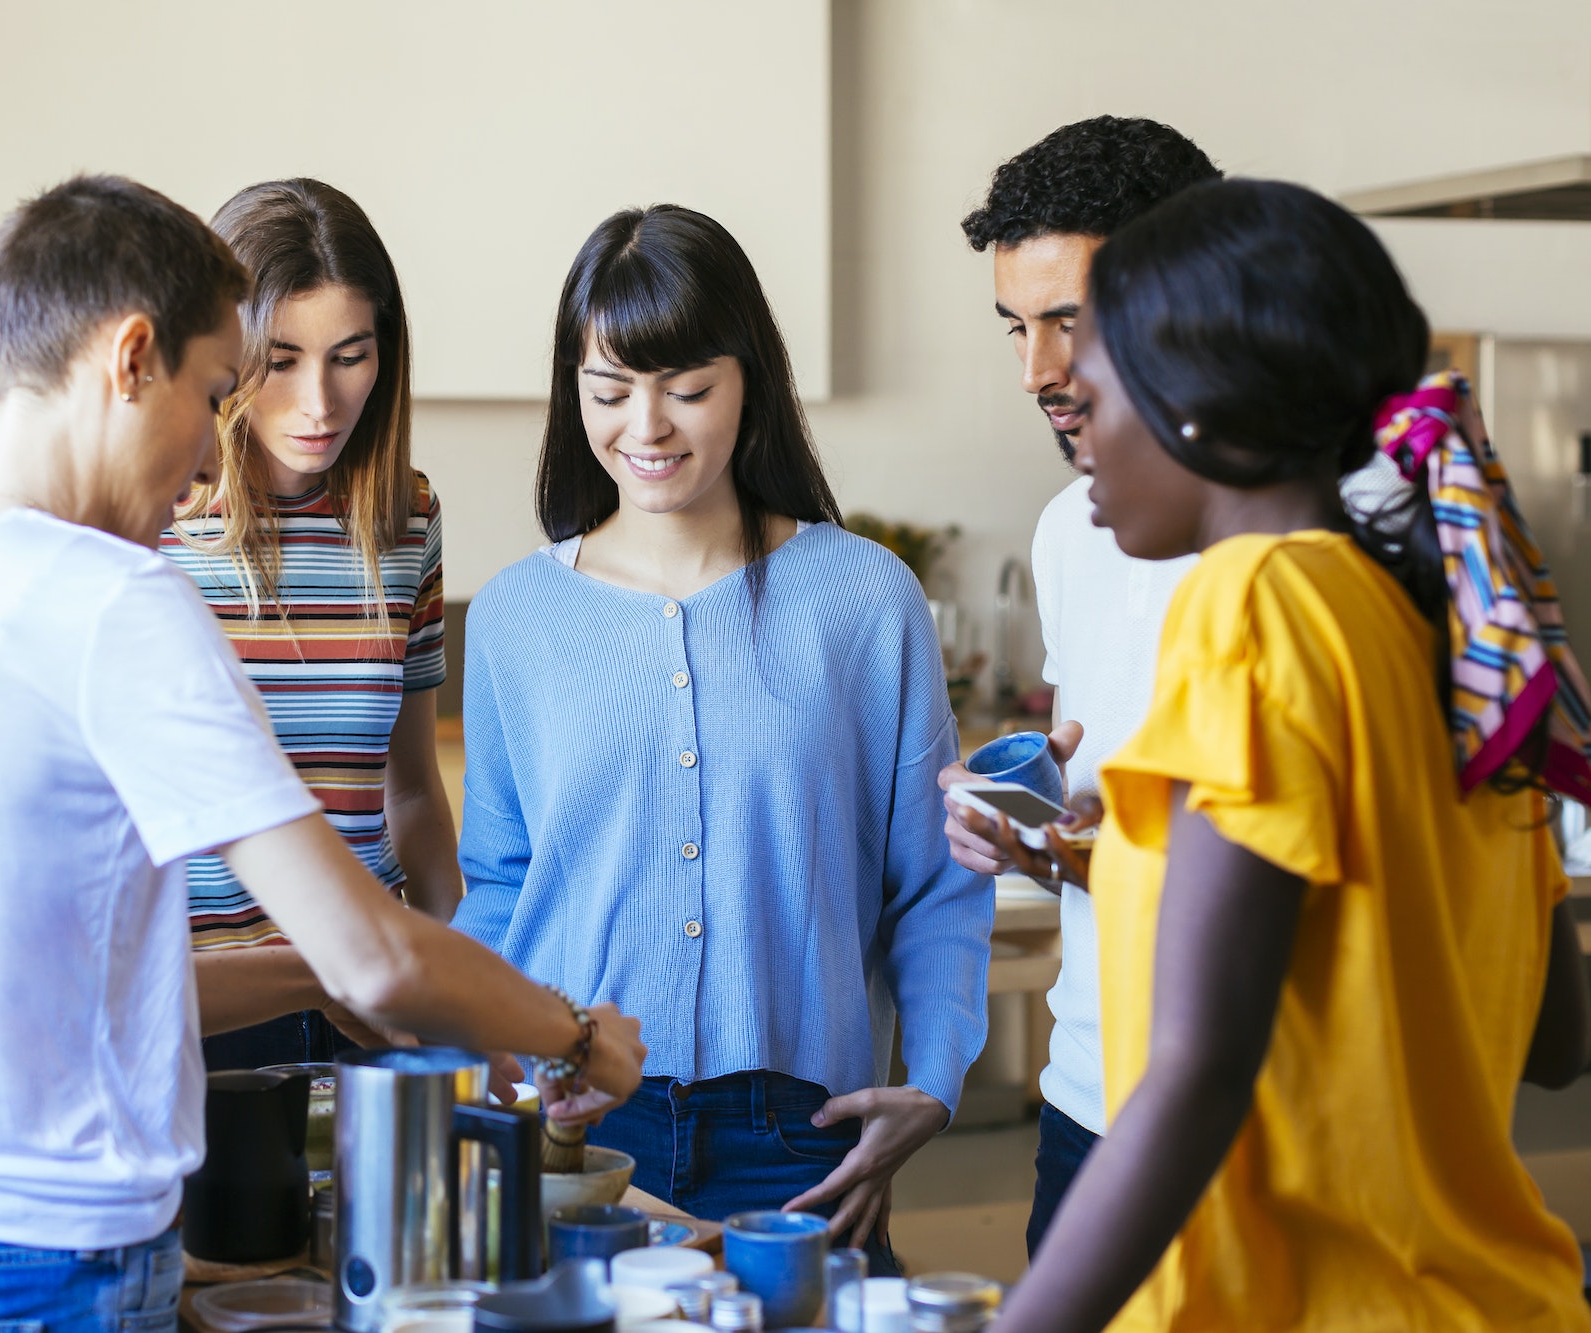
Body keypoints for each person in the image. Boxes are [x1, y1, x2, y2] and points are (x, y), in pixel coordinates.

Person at [0, 175, 644, 1333]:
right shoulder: (116, 597)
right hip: (28, 1278)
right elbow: (374, 956)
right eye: (217, 386)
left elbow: (81, 984)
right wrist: (567, 1032)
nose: (204, 451)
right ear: (132, 359)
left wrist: (343, 982)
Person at [991, 178, 1591, 1332]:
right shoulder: (1442, 630)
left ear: (1198, 415)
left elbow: (1198, 1066)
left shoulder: (1254, 598)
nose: (1076, 421)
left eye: (1098, 388)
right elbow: (1556, 1040)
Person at [453, 204, 993, 1275]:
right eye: (608, 391)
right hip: (574, 1130)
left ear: (748, 381)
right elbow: (501, 884)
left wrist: (930, 1080)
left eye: (686, 389)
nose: (645, 427)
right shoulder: (515, 616)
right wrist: (494, 1085)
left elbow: (931, 880)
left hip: (801, 1137)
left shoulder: (862, 599)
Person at [941, 117, 1222, 1259]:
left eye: (1068, 321)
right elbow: (1102, 785)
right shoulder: (1072, 529)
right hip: (1090, 1093)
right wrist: (1030, 824)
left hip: (1263, 1107)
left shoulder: (1336, 536)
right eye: (1014, 326)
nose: (1035, 372)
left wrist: (1112, 853)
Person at [161, 178, 462, 1066]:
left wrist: (461, 976)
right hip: (196, 1004)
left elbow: (409, 790)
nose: (319, 402)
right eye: (280, 359)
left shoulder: (408, 519)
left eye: (349, 355)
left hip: (365, 1003)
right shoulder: (154, 520)